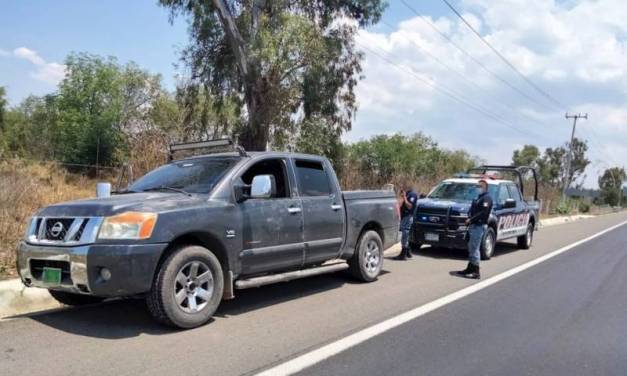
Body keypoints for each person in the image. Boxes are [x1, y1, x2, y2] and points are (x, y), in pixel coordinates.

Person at [454, 179, 493, 279]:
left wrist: (471, 219)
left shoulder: (487, 198)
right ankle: (470, 268)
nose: (478, 188)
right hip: (473, 225)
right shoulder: (478, 198)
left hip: (479, 226)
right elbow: (472, 209)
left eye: (480, 186)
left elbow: (483, 213)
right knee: (471, 247)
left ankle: (476, 272)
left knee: (475, 248)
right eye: (477, 186)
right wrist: (469, 217)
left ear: (485, 187)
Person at [396, 184, 418, 260]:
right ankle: (408, 252)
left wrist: (405, 197)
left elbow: (410, 206)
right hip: (404, 216)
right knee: (405, 233)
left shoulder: (413, 194)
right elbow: (400, 204)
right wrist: (402, 196)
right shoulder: (407, 194)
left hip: (408, 216)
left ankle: (403, 254)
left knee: (405, 233)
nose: (403, 188)